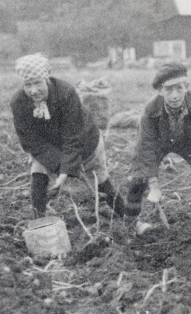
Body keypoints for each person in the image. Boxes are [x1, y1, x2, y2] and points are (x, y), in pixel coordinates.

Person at [11, 53, 126, 219]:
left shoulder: (65, 93)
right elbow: (30, 142)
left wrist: (65, 171)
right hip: (48, 148)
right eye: (28, 85)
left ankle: (132, 221)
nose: (33, 90)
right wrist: (59, 165)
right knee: (38, 176)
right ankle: (40, 223)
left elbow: (73, 136)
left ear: (47, 79)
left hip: (85, 142)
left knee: (101, 182)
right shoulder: (19, 102)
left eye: (37, 83)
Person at [123, 62, 191, 230]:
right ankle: (130, 226)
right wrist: (153, 185)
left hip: (188, 142)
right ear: (160, 91)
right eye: (168, 90)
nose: (175, 95)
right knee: (137, 180)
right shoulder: (150, 110)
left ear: (187, 87)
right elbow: (146, 146)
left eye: (179, 88)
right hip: (158, 144)